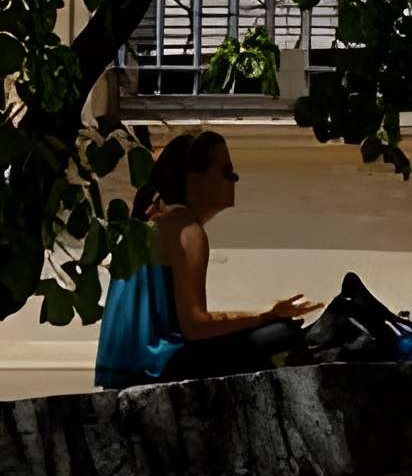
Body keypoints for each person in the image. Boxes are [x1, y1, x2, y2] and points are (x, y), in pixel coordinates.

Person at [95, 129, 321, 389]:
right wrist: (265, 317)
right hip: (159, 369)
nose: (234, 179)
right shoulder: (186, 231)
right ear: (193, 179)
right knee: (282, 334)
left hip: (130, 371)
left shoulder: (149, 225)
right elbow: (195, 326)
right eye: (226, 170)